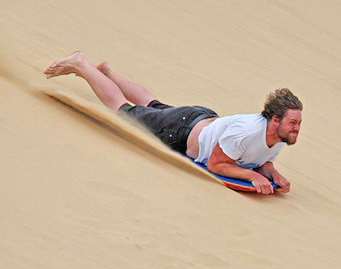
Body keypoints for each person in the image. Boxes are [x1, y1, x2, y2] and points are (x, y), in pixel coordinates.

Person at [44, 51, 302, 194]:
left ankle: (109, 74)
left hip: (198, 120)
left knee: (154, 106)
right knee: (125, 111)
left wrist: (274, 175)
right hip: (180, 131)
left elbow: (261, 159)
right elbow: (216, 163)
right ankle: (81, 65)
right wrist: (250, 176)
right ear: (275, 119)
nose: (296, 129)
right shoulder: (247, 132)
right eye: (293, 123)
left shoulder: (278, 137)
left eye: (298, 123)